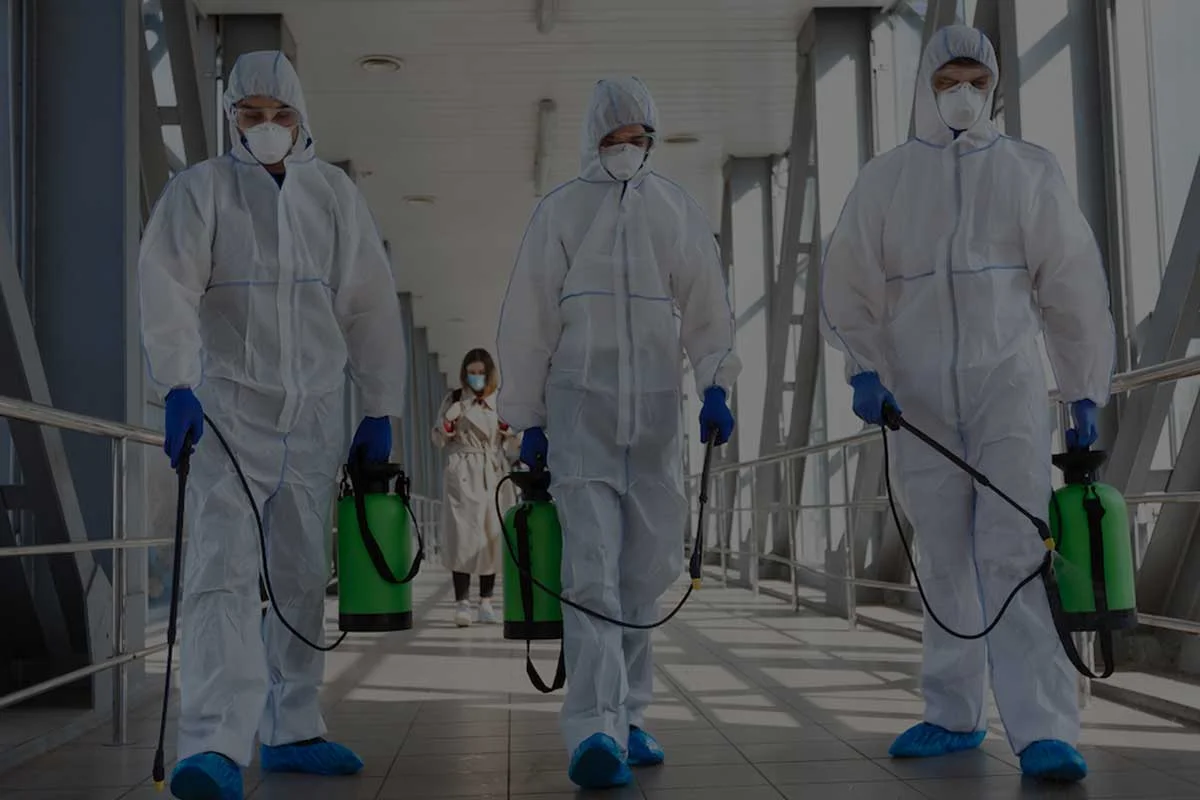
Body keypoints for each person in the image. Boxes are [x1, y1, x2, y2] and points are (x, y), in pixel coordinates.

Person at [820, 26, 1115, 783]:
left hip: (1006, 388)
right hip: (916, 396)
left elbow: (1071, 287)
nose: (963, 94)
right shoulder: (886, 181)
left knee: (1016, 550)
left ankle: (1044, 726)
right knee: (944, 553)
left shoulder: (1027, 171)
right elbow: (848, 286)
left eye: (976, 81)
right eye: (949, 78)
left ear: (994, 88)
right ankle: (953, 712)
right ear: (925, 84)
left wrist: (1084, 386)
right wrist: (863, 368)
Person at [139, 51, 407, 800]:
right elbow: (166, 287)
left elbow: (370, 306)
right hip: (228, 411)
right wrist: (177, 386)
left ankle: (292, 727)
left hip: (316, 412)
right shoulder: (202, 192)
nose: (265, 127)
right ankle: (214, 743)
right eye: (249, 114)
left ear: (301, 118)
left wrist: (380, 404)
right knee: (220, 573)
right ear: (230, 118)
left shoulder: (333, 197)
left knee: (295, 576)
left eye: (279, 113)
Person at [496, 76, 740, 790]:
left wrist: (719, 381)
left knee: (640, 577)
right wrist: (529, 415)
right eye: (614, 138)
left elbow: (707, 306)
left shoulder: (674, 211)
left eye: (638, 140)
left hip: (657, 424)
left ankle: (631, 713)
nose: (626, 150)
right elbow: (528, 320)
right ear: (591, 140)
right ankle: (593, 729)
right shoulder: (561, 214)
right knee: (593, 575)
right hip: (581, 422)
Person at [433, 348, 519, 627]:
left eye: (482, 373)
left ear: (490, 373)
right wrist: (449, 422)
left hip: (491, 469)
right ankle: (461, 603)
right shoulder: (455, 399)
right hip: (463, 470)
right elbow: (437, 436)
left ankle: (486, 601)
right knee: (462, 535)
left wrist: (509, 430)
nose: (477, 377)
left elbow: (513, 440)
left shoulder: (499, 402)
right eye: (472, 372)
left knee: (490, 534)